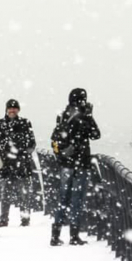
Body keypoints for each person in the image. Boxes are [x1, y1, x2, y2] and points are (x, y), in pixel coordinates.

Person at [50, 88, 101, 246]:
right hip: (81, 163)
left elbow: (55, 136)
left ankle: (55, 234)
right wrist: (89, 116)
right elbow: (95, 134)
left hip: (66, 163)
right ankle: (74, 235)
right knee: (77, 200)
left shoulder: (64, 115)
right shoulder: (83, 117)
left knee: (63, 199)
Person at [0, 99, 37, 227]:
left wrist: (24, 153)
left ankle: (25, 219)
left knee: (24, 194)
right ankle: (4, 219)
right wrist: (4, 149)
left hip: (22, 164)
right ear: (6, 110)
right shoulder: (1, 124)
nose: (12, 110)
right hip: (6, 164)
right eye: (10, 108)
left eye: (14, 108)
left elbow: (32, 143)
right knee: (5, 194)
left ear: (18, 110)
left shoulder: (25, 123)